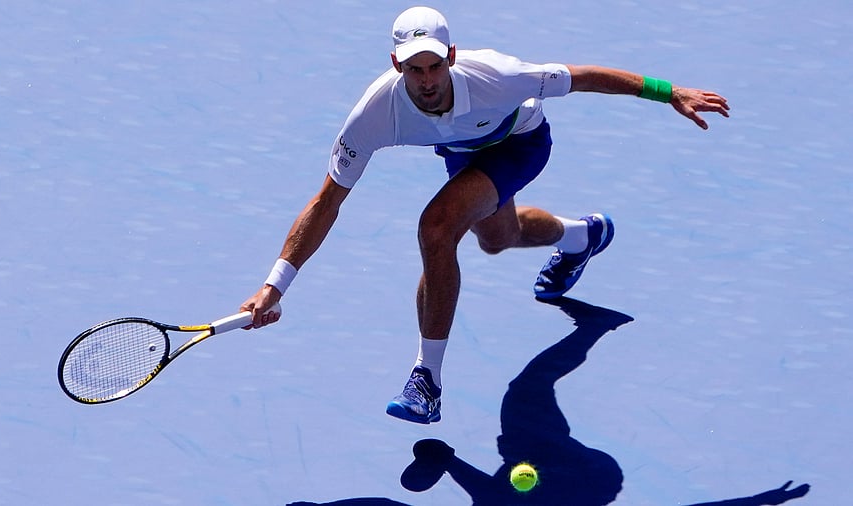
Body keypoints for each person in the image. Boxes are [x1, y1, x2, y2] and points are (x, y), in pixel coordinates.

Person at [240, 6, 730, 424]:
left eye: (435, 66)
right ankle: (581, 237)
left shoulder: (499, 76)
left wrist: (669, 91)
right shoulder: (374, 114)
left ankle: (426, 381)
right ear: (396, 65)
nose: (427, 80)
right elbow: (326, 202)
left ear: (451, 57)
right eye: (414, 69)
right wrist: (274, 285)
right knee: (497, 237)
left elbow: (581, 77)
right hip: (463, 152)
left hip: (520, 143)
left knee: (437, 227)